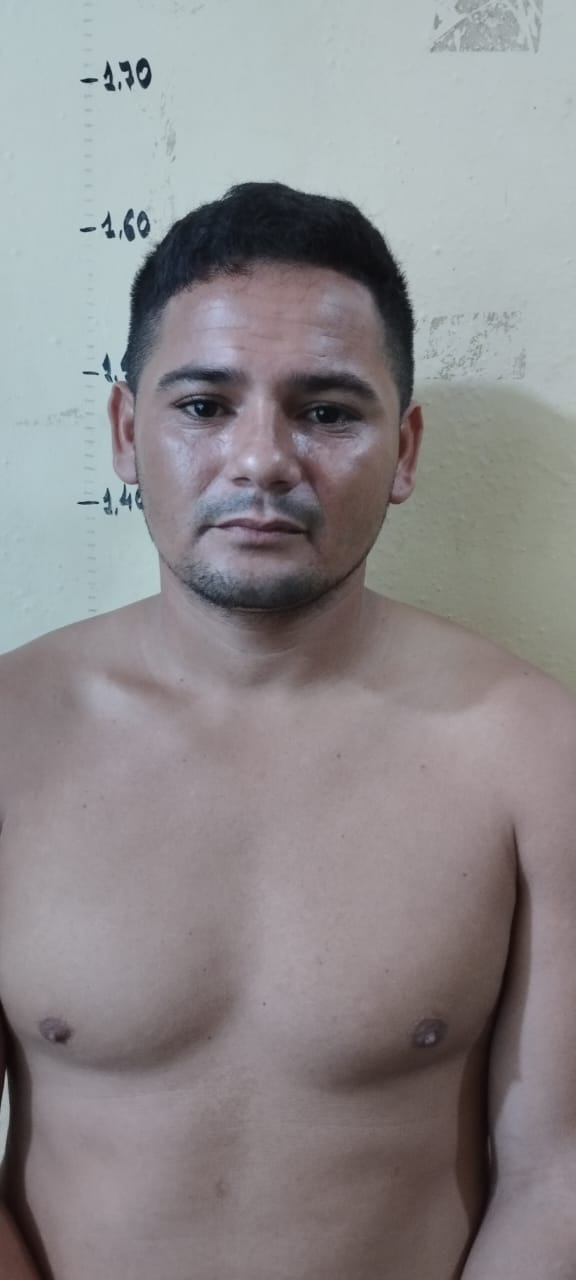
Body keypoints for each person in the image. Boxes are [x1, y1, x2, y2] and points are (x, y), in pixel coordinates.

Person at [0, 181, 575, 1280]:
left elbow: (560, 1172)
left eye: (327, 411)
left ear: (404, 449)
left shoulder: (536, 754)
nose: (261, 459)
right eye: (204, 405)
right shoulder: (10, 739)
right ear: (125, 432)